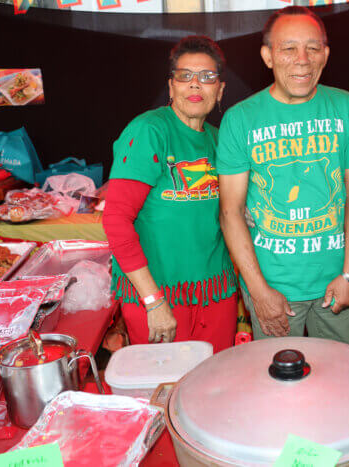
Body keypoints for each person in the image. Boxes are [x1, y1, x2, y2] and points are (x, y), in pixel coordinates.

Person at [217, 6, 349, 346]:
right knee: (277, 390)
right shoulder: (240, 119)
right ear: (268, 56)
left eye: (312, 48)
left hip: (336, 284)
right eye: (288, 48)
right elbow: (230, 212)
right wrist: (259, 291)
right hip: (273, 288)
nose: (302, 59)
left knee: (344, 385)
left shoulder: (345, 107)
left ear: (325, 55)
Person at [103, 36, 238, 350]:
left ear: (220, 90)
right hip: (157, 297)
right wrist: (152, 301)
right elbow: (116, 220)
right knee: (164, 391)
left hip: (216, 293)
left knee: (215, 386)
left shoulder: (221, 141)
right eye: (184, 76)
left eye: (207, 78)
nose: (195, 85)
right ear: (171, 86)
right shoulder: (149, 130)